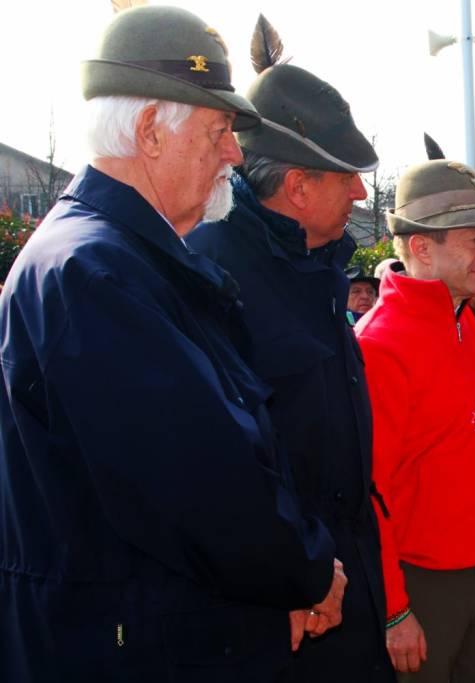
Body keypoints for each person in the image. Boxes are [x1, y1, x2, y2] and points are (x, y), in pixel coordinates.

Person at [0, 7, 347, 681]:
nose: (235, 154)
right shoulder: (94, 273)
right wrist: (306, 572)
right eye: (219, 130)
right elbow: (201, 488)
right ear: (151, 133)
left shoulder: (117, 258)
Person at [185, 55, 393, 681]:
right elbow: (213, 468)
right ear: (298, 188)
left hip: (344, 595)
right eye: (346, 177)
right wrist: (296, 570)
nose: (360, 192)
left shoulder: (317, 263)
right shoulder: (209, 272)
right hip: (284, 613)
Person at [356, 160, 475, 682]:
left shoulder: (467, 319)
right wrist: (394, 607)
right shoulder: (378, 343)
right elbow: (369, 490)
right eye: (474, 240)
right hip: (424, 584)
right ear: (422, 247)